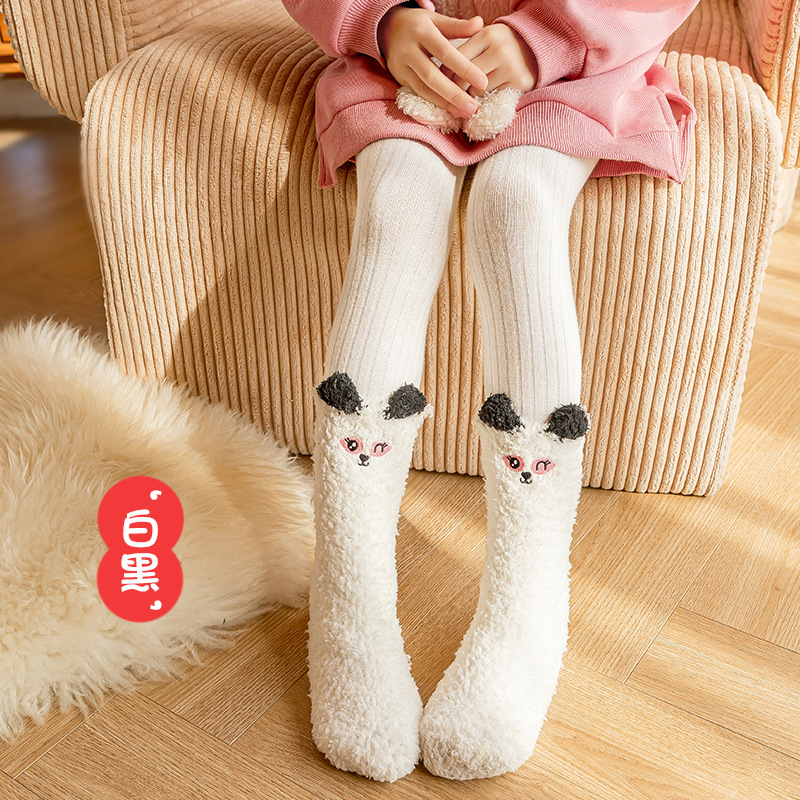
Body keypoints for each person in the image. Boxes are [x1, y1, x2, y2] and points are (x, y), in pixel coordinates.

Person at [280, 0, 699, 783]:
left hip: (577, 70)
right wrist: (380, 21)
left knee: (517, 205)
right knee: (398, 206)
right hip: (399, 67)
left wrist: (546, 37)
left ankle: (527, 602)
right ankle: (349, 597)